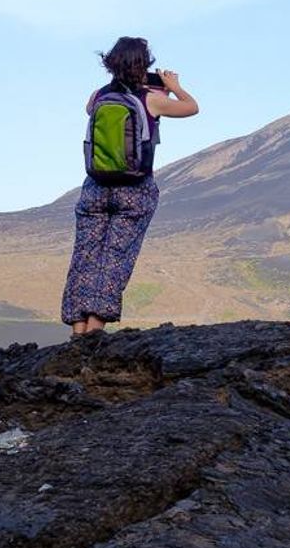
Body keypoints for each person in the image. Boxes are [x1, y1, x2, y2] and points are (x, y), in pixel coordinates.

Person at [60, 36, 199, 338]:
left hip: (95, 188)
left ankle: (77, 331)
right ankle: (95, 331)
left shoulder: (98, 96)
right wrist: (171, 85)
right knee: (115, 256)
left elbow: (89, 111)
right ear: (143, 64)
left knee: (85, 254)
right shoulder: (152, 99)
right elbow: (191, 108)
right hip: (135, 190)